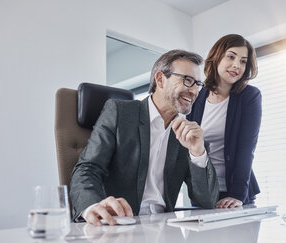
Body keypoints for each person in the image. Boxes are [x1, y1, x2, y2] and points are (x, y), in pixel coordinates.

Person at [70, 50, 219, 226]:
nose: (194, 91)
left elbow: (207, 201)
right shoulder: (120, 112)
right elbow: (87, 168)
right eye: (187, 80)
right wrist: (92, 206)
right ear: (160, 79)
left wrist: (197, 152)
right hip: (121, 225)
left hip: (166, 228)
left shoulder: (186, 133)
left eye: (198, 84)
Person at [187, 34, 261, 208]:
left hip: (235, 192)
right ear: (216, 57)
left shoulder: (249, 96)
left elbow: (246, 148)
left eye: (243, 61)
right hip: (204, 192)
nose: (237, 65)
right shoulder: (197, 96)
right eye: (231, 56)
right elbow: (189, 147)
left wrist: (237, 196)